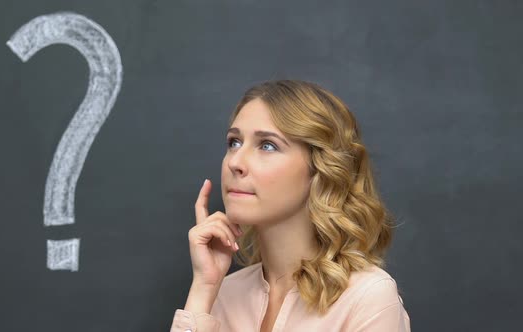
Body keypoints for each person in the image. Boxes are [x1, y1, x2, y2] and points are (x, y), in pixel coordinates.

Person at [170, 80, 411, 332]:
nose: (235, 162)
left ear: (320, 168)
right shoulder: (224, 293)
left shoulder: (368, 298)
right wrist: (203, 289)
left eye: (267, 145)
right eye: (234, 142)